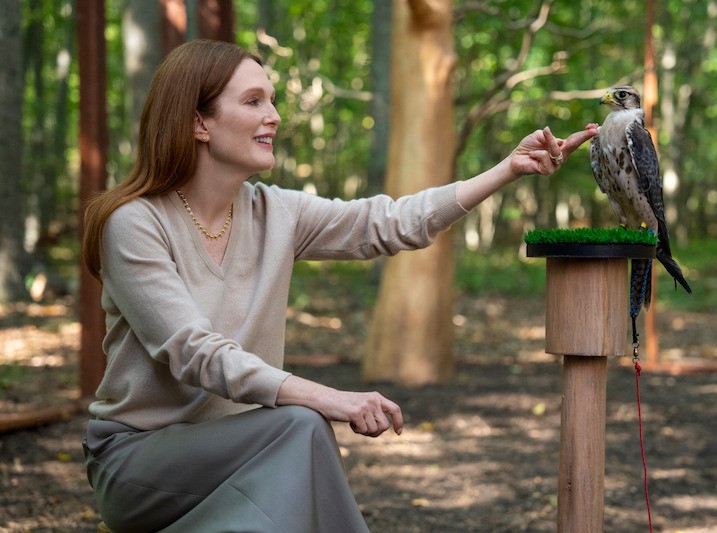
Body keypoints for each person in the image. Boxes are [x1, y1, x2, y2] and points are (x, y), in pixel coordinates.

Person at [80, 39, 598, 533]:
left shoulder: (274, 212)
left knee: (293, 446)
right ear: (198, 121)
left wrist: (506, 170)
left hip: (251, 449)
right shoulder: (135, 223)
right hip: (139, 463)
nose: (274, 116)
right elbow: (193, 352)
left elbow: (390, 222)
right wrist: (331, 399)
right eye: (254, 100)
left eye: (274, 100)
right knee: (301, 426)